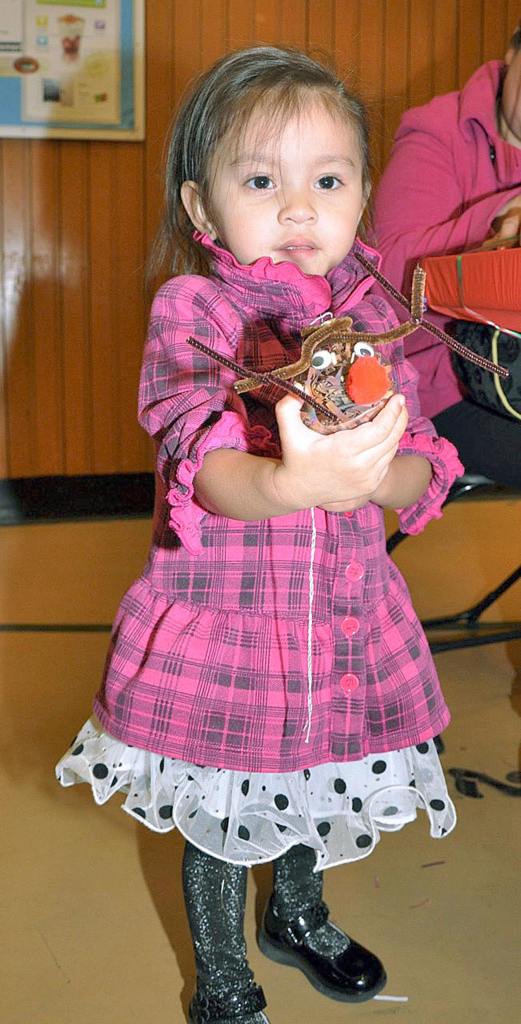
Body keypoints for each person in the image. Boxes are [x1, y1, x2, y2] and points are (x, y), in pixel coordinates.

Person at [56, 46, 462, 1024]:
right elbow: (203, 460)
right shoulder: (194, 309)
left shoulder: (371, 315)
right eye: (259, 180)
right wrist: (291, 480)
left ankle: (298, 913)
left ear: (361, 194)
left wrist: (380, 473)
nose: (296, 208)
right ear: (202, 210)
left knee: (313, 773)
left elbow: (418, 454)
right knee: (224, 808)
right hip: (229, 623)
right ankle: (223, 980)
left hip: (342, 616)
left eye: (326, 180)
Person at [372, 23, 521, 490]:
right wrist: (499, 217)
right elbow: (384, 290)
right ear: (514, 48)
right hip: (442, 379)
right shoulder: (439, 133)